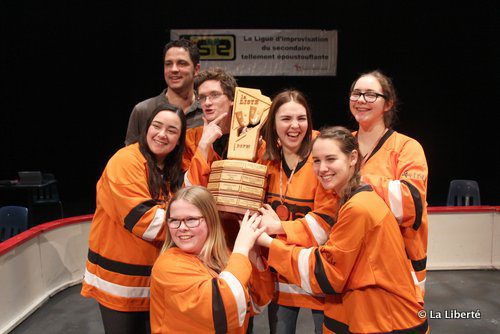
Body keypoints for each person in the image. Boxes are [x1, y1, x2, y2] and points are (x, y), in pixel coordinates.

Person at [257, 126, 428, 333]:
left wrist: (269, 244)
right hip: (374, 317)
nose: (322, 169)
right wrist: (280, 227)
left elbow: (328, 272)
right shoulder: (351, 199)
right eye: (317, 161)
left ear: (353, 158)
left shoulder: (358, 208)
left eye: (331, 159)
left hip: (386, 322)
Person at [81, 103, 187, 334]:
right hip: (120, 282)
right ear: (146, 128)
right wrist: (191, 228)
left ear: (179, 139)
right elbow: (144, 220)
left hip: (155, 279)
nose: (161, 134)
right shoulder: (125, 161)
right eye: (156, 126)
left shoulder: (172, 168)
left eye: (171, 130)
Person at [257, 89, 337, 334]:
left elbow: (325, 222)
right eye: (286, 119)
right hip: (281, 274)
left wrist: (279, 227)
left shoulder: (322, 159)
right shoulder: (263, 158)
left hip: (318, 271)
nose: (295, 126)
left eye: (301, 118)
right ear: (273, 124)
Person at [150, 186, 274, 333]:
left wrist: (253, 251)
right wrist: (241, 248)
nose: (181, 227)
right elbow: (221, 308)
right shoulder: (168, 265)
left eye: (191, 219)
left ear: (211, 220)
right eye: (174, 220)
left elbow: (256, 303)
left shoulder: (225, 256)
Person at [348, 70, 429, 293]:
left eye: (371, 95)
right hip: (350, 263)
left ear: (388, 104)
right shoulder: (341, 145)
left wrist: (354, 180)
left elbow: (410, 204)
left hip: (399, 265)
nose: (361, 100)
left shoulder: (407, 148)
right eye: (356, 94)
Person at [125, 39, 203, 145]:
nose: (174, 69)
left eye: (182, 63)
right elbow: (131, 157)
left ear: (196, 69)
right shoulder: (143, 110)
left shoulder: (208, 110)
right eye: (168, 64)